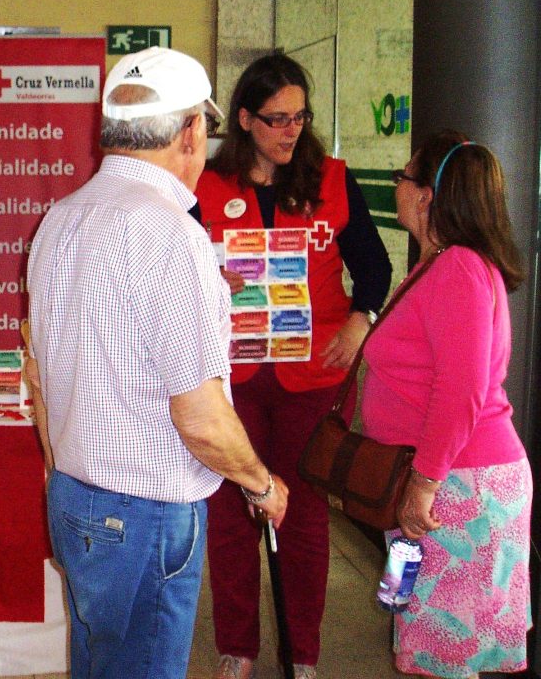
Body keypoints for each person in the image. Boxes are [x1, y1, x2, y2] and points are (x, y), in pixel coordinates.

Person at [27, 46, 289, 679]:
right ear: (191, 130)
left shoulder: (58, 221)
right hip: (145, 512)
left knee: (99, 660)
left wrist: (62, 471)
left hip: (74, 493)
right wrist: (261, 483)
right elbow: (200, 417)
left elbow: (39, 378)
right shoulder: (173, 235)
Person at [193, 53, 391, 679]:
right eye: (276, 119)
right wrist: (207, 276)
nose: (290, 131)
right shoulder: (204, 183)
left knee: (303, 520)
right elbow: (172, 268)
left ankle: (302, 654)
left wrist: (362, 319)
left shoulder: (331, 177)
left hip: (314, 380)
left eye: (299, 118)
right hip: (235, 380)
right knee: (230, 519)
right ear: (244, 119)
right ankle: (238, 650)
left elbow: (375, 268)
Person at [361, 131, 531, 678]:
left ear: (428, 195)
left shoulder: (457, 268)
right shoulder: (443, 264)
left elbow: (462, 392)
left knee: (444, 657)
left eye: (403, 178)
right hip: (446, 483)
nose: (396, 188)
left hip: (457, 489)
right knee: (428, 644)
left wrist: (424, 484)